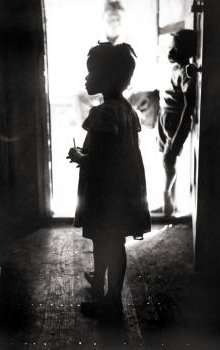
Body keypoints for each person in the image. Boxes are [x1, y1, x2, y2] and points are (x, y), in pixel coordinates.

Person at [67, 42, 151, 321]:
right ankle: (107, 291)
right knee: (113, 243)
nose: (87, 78)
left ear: (109, 78)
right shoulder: (126, 109)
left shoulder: (104, 113)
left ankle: (110, 301)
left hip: (105, 194)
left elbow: (98, 160)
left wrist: (77, 154)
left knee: (106, 243)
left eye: (92, 73)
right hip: (122, 190)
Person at [157, 29, 197, 215]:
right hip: (165, 118)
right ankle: (170, 202)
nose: (170, 52)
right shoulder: (175, 69)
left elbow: (188, 107)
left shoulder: (188, 72)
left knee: (168, 160)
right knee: (167, 161)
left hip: (175, 121)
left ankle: (166, 196)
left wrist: (178, 134)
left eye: (175, 48)